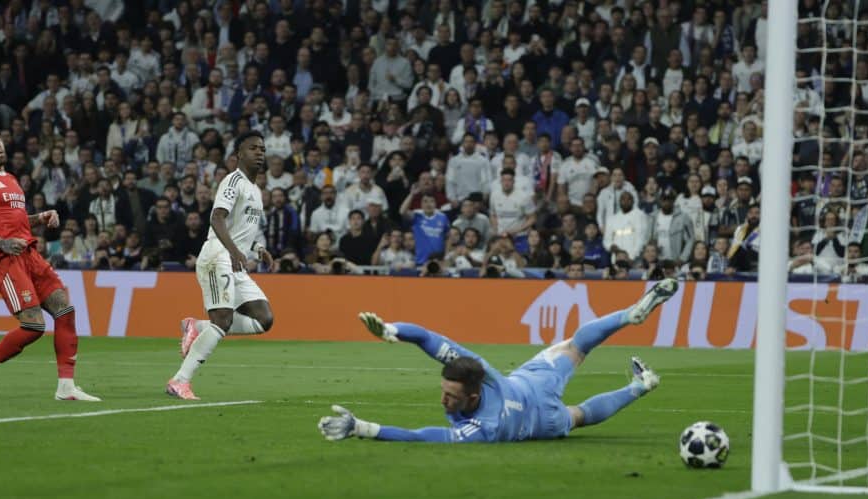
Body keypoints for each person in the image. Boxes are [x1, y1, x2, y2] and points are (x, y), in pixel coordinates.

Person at [317, 278, 679, 443]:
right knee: (577, 346)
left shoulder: (484, 427)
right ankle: (626, 316)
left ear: (472, 399)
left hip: (541, 421)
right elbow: (426, 338)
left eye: (452, 397)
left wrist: (363, 428)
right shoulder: (477, 369)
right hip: (532, 385)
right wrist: (391, 331)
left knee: (579, 415)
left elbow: (423, 436)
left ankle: (640, 385)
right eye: (444, 391)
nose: (443, 400)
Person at [0, 126, 99, 402]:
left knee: (65, 310)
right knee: (34, 326)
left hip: (30, 255)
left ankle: (66, 387)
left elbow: (16, 221)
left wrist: (41, 217)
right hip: (5, 260)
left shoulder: (11, 179)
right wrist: (0, 243)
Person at [169, 132, 275, 400]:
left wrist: (258, 249)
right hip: (218, 255)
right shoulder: (233, 181)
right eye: (253, 148)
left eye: (262, 149)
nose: (259, 153)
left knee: (264, 319)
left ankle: (198, 327)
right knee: (223, 320)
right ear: (239, 154)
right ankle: (180, 381)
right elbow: (217, 219)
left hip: (235, 260)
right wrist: (234, 250)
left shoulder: (256, 190)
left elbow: (242, 231)